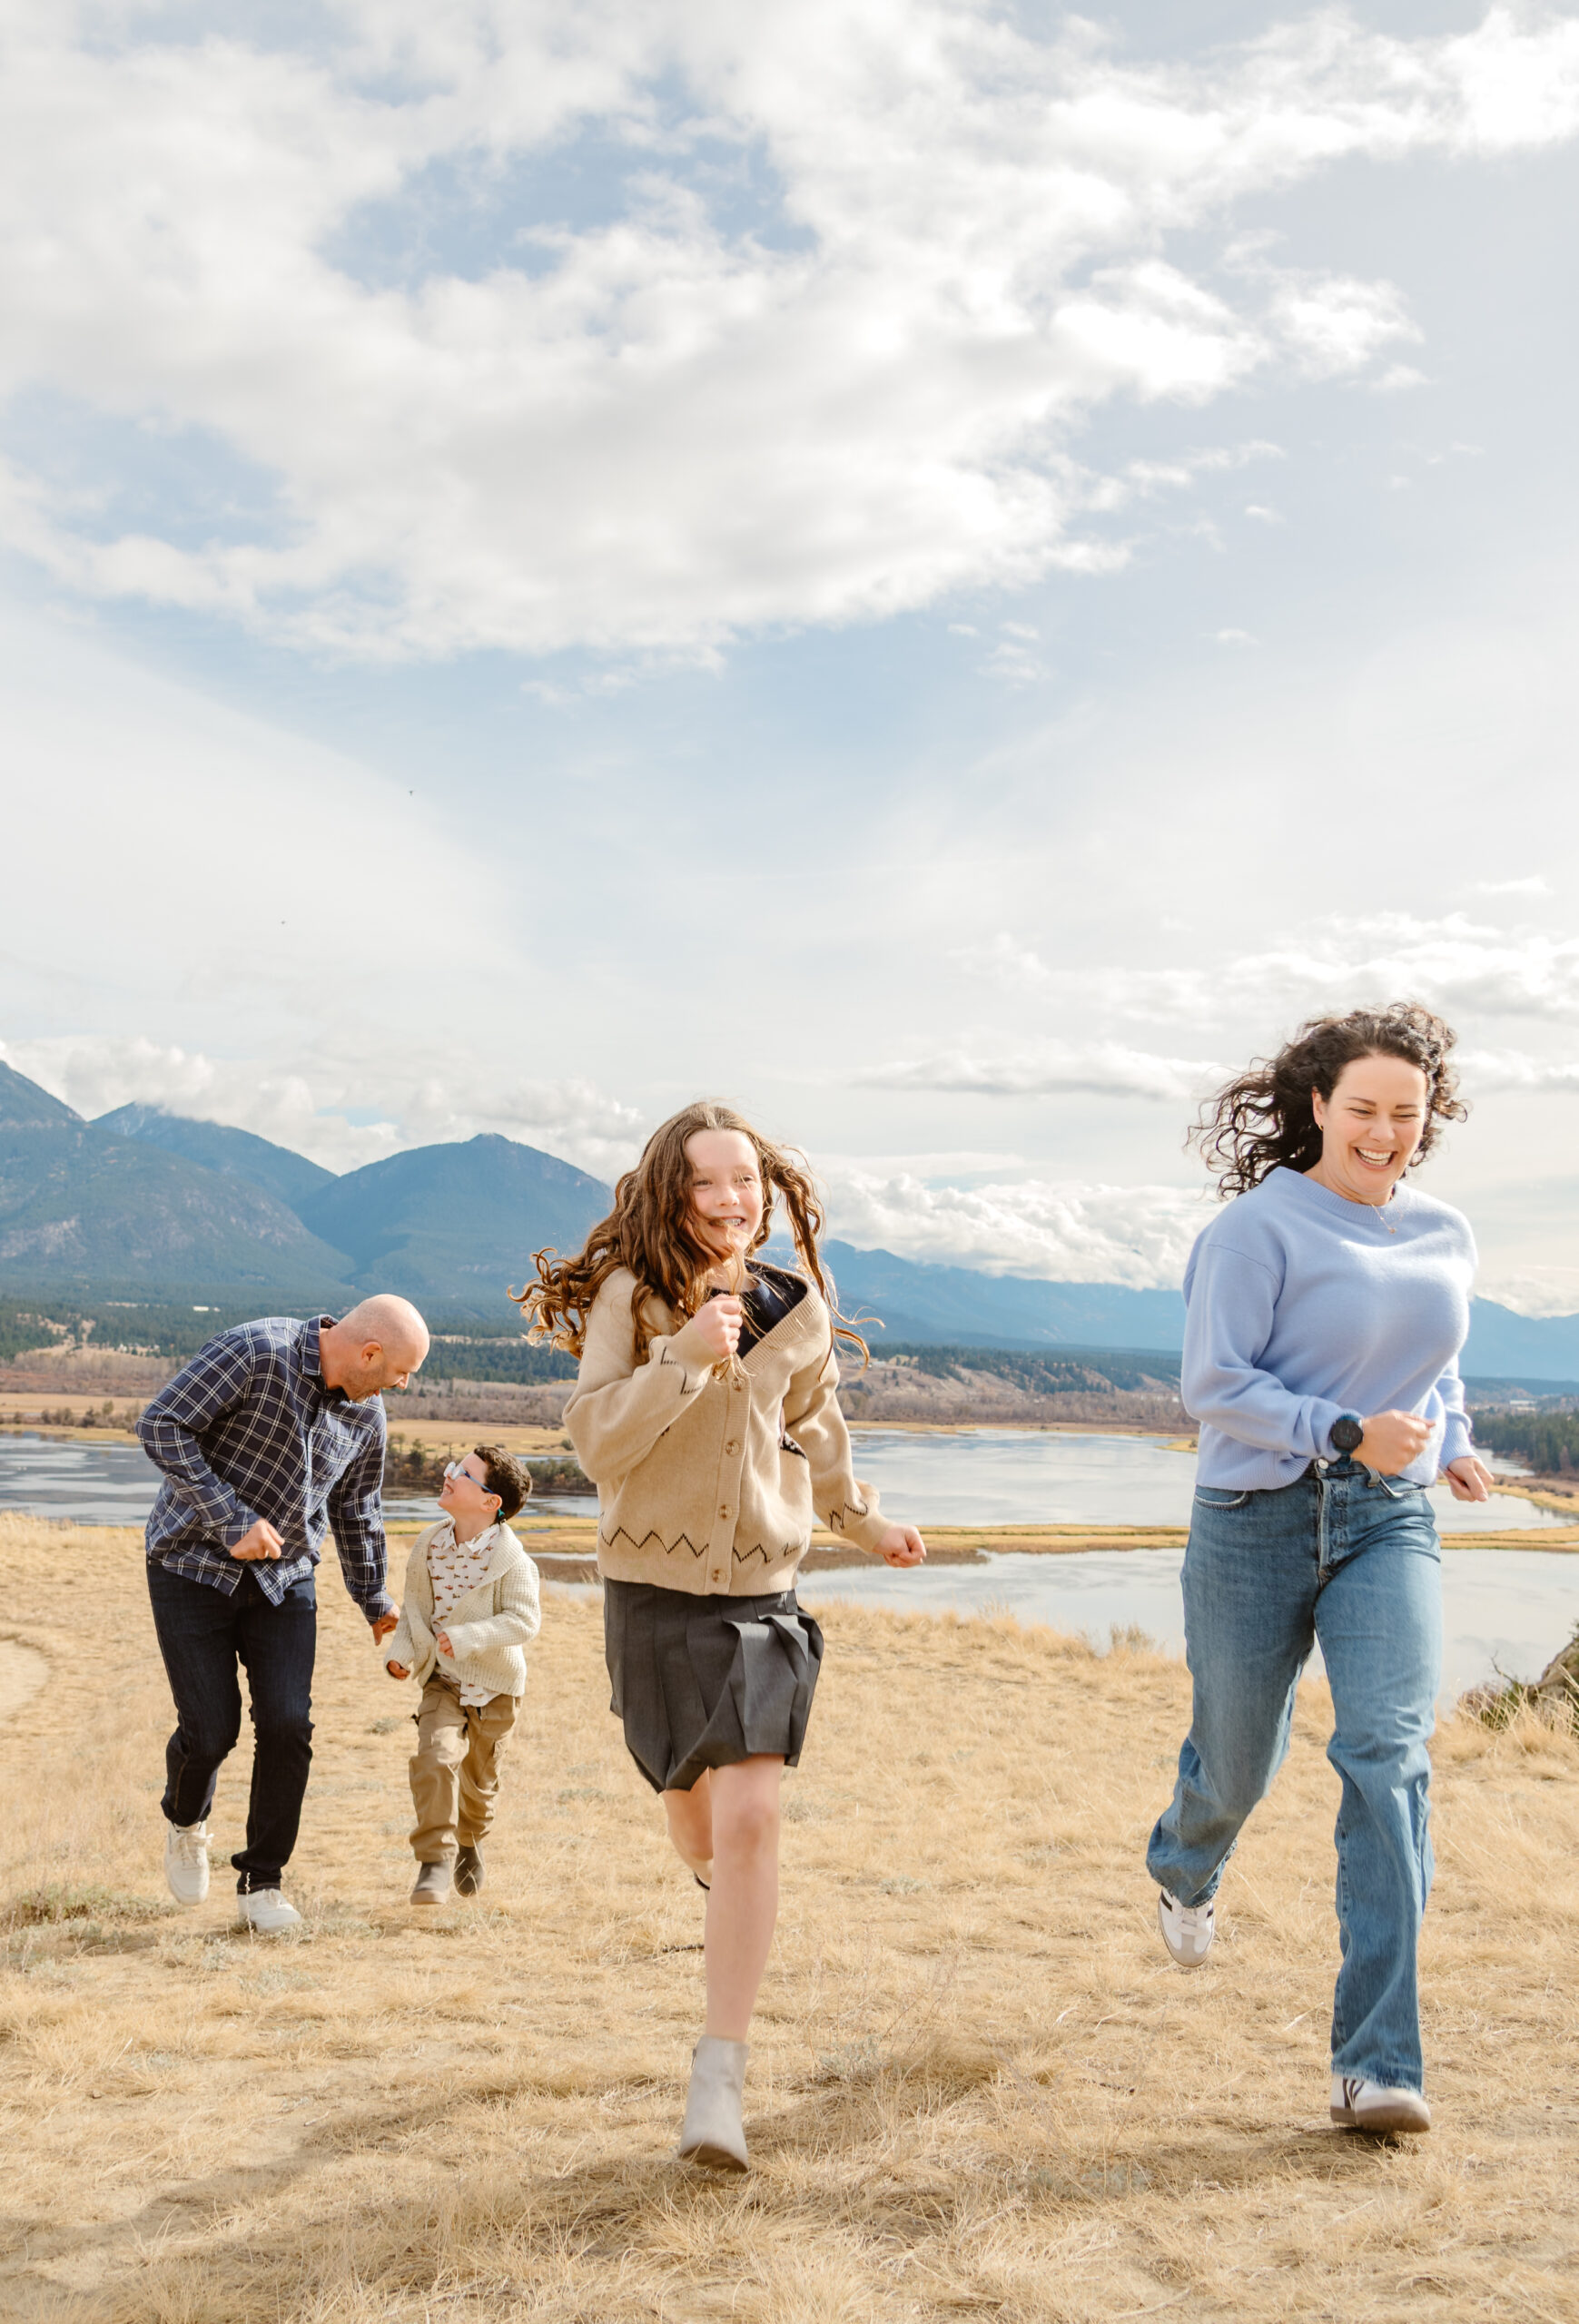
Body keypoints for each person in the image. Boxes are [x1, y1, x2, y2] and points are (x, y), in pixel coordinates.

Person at [517, 1100, 926, 2171]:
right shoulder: (628, 1296)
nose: (731, 1199)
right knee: (697, 1828)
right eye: (707, 1181)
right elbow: (597, 1442)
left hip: (761, 1595)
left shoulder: (797, 1307)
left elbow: (819, 1436)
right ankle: (708, 1873)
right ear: (671, 1190)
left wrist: (867, 1522)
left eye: (745, 1178)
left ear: (769, 1185)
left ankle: (719, 2076)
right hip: (649, 1593)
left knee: (750, 1820)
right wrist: (684, 1355)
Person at [1145, 1004, 1493, 2135]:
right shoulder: (1256, 1230)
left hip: (1386, 1519)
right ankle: (1186, 1860)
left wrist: (1455, 1439)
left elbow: (1430, 1371)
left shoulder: (1444, 1231)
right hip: (1252, 1514)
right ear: (1316, 1107)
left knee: (1386, 1754)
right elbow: (1212, 1382)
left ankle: (1375, 2063)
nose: (1384, 1131)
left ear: (1427, 1118)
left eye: (1406, 1112)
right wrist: (1340, 1430)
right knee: (1237, 1758)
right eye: (1363, 1109)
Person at [139, 1295, 429, 1933]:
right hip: (190, 1567)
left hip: (286, 1581)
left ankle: (261, 1883)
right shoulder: (254, 1351)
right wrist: (231, 1519)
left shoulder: (367, 1415)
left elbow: (358, 1513)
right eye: (399, 1371)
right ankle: (186, 1822)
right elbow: (161, 1425)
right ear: (369, 1352)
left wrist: (375, 1602)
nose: (401, 1386)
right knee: (211, 1733)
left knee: (288, 1725)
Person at [382, 1444, 541, 1905]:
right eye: (454, 1467)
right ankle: (434, 1861)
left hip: (496, 1688)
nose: (449, 1474)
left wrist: (471, 1637)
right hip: (443, 1680)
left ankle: (470, 1839)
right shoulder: (429, 1545)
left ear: (492, 1502)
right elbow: (416, 1611)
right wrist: (403, 1653)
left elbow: (524, 1621)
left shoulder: (512, 1560)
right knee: (434, 1758)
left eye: (464, 1474)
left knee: (479, 1784)